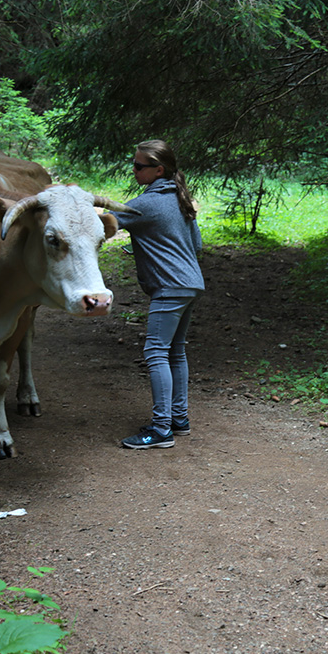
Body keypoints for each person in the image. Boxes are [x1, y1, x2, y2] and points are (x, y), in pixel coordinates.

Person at [111, 140, 206, 449]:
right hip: (191, 284)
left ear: (158, 170)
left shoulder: (146, 204)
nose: (134, 170)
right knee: (175, 351)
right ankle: (179, 419)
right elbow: (196, 246)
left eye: (139, 166)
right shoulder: (181, 200)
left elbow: (105, 224)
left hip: (170, 287)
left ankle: (162, 429)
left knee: (155, 352)